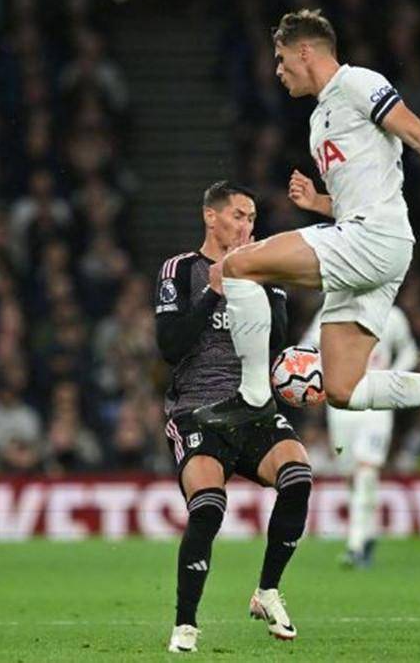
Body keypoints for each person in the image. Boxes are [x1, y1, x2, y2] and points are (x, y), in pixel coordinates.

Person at [194, 9, 420, 445]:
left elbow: (416, 132)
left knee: (237, 266)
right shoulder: (318, 121)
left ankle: (253, 397)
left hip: (373, 238)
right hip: (372, 241)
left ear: (305, 51)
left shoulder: (358, 83)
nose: (278, 70)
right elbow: (361, 197)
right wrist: (318, 203)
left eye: (281, 58)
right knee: (342, 389)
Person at [157, 182, 312, 653]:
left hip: (254, 408)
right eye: (239, 216)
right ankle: (186, 624)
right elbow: (169, 347)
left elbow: (277, 344)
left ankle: (267, 591)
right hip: (197, 411)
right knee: (208, 506)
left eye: (252, 218)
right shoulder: (181, 270)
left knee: (299, 476)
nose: (248, 226)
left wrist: (260, 283)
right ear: (211, 217)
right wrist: (213, 293)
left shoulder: (267, 271)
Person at [302, 304, 417, 567]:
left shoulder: (392, 314)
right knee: (353, 477)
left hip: (377, 404)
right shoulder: (329, 312)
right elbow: (306, 350)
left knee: (367, 471)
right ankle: (369, 534)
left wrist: (393, 377)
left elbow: (409, 350)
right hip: (341, 407)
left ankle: (355, 546)